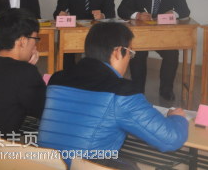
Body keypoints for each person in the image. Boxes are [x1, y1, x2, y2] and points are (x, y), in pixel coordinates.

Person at [39, 22, 188, 170]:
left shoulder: (57, 79)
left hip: (44, 164)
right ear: (117, 52)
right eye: (130, 53)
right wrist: (177, 118)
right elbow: (170, 139)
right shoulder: (120, 90)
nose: (129, 59)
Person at [117, 0, 190, 101]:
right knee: (138, 55)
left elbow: (185, 10)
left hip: (162, 35)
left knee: (172, 54)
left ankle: (166, 90)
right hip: (141, 34)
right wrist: (138, 15)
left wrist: (173, 13)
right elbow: (122, 9)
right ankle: (138, 91)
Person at [55, 0, 116, 69]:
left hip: (97, 30)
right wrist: (61, 14)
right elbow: (58, 11)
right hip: (74, 30)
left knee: (98, 59)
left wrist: (102, 15)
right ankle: (69, 75)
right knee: (65, 43)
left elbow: (111, 13)